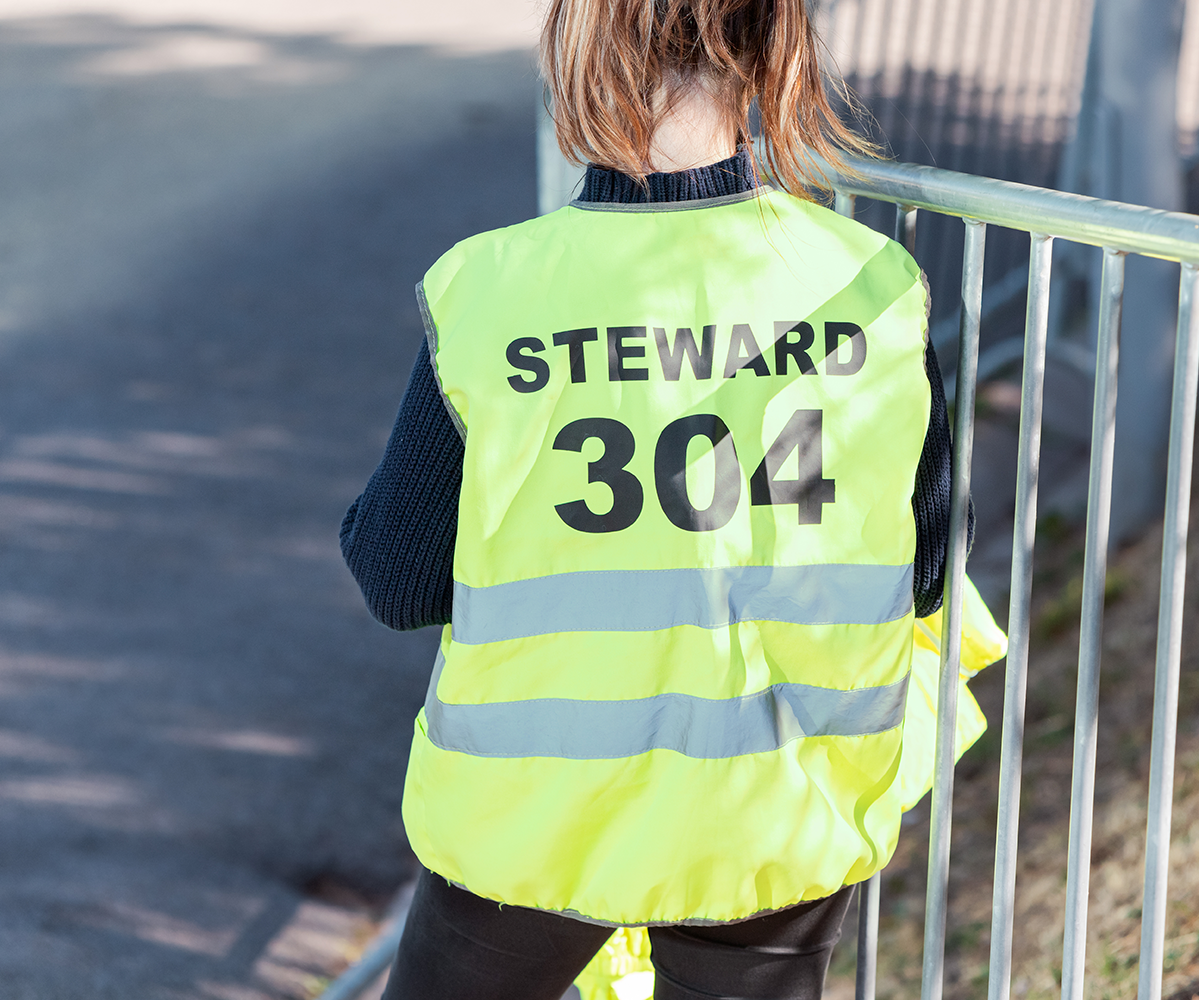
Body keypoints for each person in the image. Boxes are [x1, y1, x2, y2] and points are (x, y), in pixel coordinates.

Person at [340, 1, 972, 996]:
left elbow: (397, 580)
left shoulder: (492, 291)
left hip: (535, 816)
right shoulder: (868, 286)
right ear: (775, 51)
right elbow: (924, 570)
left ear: (577, 51)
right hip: (776, 807)